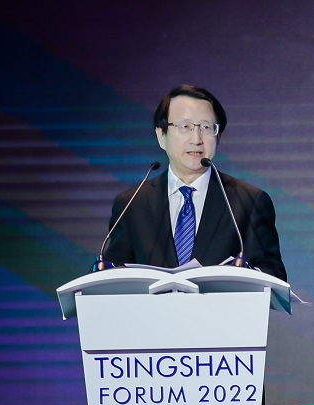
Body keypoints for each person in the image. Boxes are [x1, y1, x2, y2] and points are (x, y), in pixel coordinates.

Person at [104, 85, 287, 281]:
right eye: (185, 127)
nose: (196, 139)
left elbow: (273, 277)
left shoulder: (248, 202)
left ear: (218, 136)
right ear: (161, 135)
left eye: (206, 128)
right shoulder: (131, 204)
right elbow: (112, 280)